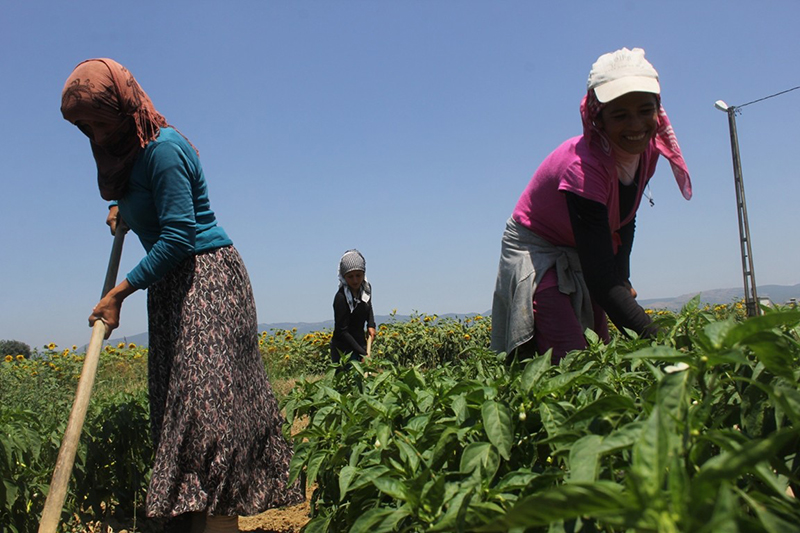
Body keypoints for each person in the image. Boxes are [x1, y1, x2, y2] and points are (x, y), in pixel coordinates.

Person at [61, 58, 303, 532]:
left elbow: (178, 235)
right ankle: (198, 524)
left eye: (95, 121)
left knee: (209, 418)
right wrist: (122, 209)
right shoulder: (127, 156)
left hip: (207, 282)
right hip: (171, 288)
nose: (91, 134)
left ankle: (221, 526)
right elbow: (145, 203)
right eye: (81, 126)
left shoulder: (163, 150)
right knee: (182, 414)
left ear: (120, 106)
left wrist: (119, 293)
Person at [491, 47, 692, 363]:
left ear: (658, 110)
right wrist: (668, 350)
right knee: (570, 354)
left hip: (582, 244)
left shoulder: (648, 151)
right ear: (599, 117)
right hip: (537, 246)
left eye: (645, 110)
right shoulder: (584, 169)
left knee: (597, 343)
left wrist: (623, 278)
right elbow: (600, 280)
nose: (636, 125)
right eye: (620, 115)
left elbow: (624, 219)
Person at [330, 249, 376, 366]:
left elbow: (368, 306)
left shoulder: (366, 289)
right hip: (343, 348)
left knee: (362, 380)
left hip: (359, 340)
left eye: (358, 275)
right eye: (350, 276)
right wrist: (363, 354)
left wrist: (371, 324)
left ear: (363, 274)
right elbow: (342, 331)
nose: (355, 280)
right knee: (348, 380)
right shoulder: (341, 298)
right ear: (344, 276)